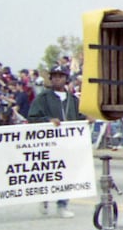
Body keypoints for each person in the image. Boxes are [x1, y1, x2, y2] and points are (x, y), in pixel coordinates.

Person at [27, 67, 82, 218]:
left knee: (67, 173)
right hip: (49, 144)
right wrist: (48, 120)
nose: (57, 79)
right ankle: (44, 198)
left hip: (68, 144)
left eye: (61, 76)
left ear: (66, 79)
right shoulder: (43, 98)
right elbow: (32, 117)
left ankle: (62, 204)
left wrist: (86, 119)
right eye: (55, 76)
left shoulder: (73, 99)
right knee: (48, 172)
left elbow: (79, 117)